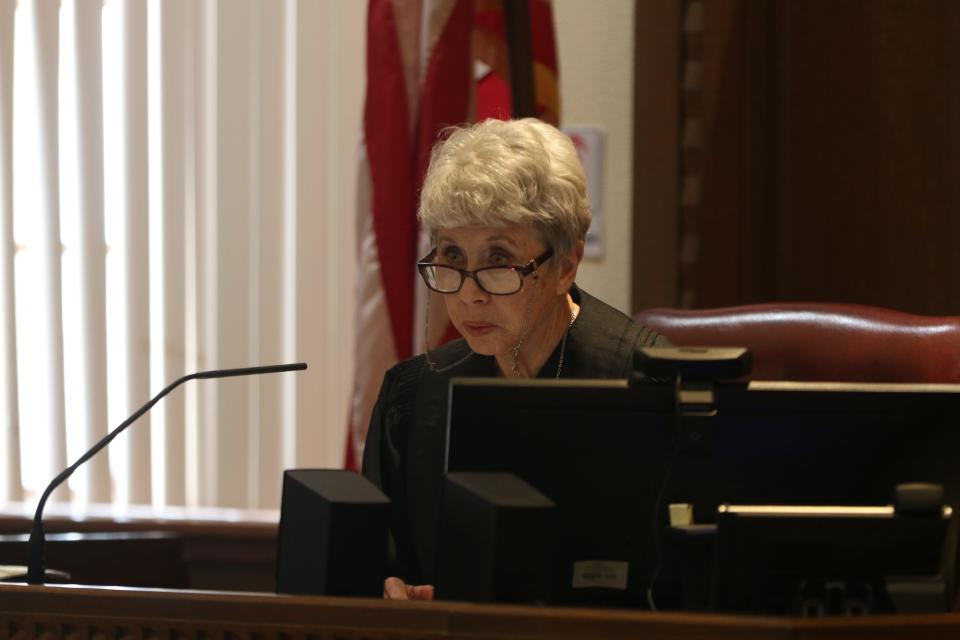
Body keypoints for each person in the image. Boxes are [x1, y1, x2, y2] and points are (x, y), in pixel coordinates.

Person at [361, 118, 669, 600]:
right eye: (453, 258)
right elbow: (381, 565)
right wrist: (391, 594)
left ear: (565, 266)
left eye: (498, 261)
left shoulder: (648, 387)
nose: (468, 295)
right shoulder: (412, 396)